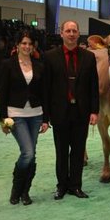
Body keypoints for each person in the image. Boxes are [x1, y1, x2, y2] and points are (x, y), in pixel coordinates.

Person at [44, 20, 99, 200]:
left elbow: (93, 86)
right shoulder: (50, 56)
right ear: (61, 34)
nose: (71, 34)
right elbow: (47, 88)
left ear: (78, 34)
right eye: (68, 31)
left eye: (74, 31)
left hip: (81, 113)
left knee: (78, 152)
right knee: (61, 152)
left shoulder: (89, 57)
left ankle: (75, 186)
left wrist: (94, 111)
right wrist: (46, 115)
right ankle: (61, 186)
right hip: (59, 112)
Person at [0, 31, 49, 205]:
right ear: (17, 45)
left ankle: (25, 192)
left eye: (30, 44)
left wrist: (45, 119)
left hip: (36, 115)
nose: (27, 47)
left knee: (31, 154)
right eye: (24, 43)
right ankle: (16, 189)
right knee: (27, 152)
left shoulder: (39, 65)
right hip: (16, 115)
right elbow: (2, 94)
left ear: (33, 47)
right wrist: (3, 119)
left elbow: (44, 94)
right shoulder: (7, 65)